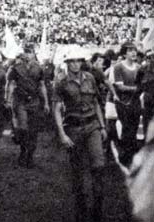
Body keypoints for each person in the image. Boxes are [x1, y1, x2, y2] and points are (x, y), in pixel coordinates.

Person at [53, 46, 107, 222]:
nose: (76, 64)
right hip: (74, 129)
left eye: (79, 61)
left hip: (92, 126)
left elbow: (97, 103)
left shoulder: (90, 78)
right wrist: (62, 134)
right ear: (67, 63)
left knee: (98, 166)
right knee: (78, 171)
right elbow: (56, 109)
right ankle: (81, 210)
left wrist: (102, 126)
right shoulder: (61, 82)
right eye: (72, 61)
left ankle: (98, 209)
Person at [5, 44, 50, 167]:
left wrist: (46, 102)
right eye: (26, 51)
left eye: (30, 52)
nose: (28, 54)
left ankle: (30, 156)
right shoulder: (15, 68)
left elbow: (42, 86)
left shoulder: (38, 68)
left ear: (34, 53)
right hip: (20, 101)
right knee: (23, 129)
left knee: (33, 130)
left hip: (34, 101)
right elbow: (11, 84)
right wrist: (9, 100)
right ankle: (23, 151)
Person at [113, 41, 141, 166]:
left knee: (134, 128)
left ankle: (132, 155)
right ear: (124, 53)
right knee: (126, 128)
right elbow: (120, 87)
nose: (133, 52)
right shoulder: (118, 67)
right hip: (123, 103)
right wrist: (136, 89)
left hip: (136, 102)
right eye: (130, 50)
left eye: (134, 50)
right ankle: (124, 156)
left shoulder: (139, 67)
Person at [136, 49, 154, 138]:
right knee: (148, 127)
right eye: (150, 57)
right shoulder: (143, 69)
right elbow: (138, 84)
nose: (151, 59)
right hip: (148, 100)